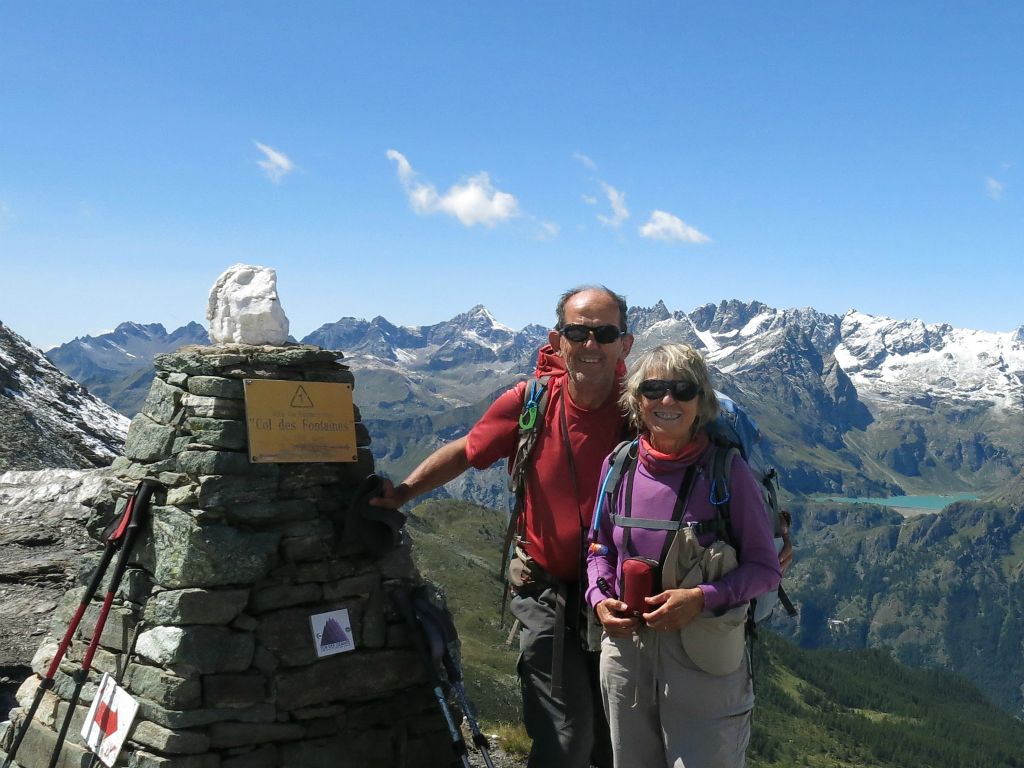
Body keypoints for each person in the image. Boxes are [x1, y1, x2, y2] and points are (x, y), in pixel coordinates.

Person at [372, 285, 634, 768]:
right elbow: (467, 450)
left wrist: (767, 534)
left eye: (604, 333)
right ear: (558, 341)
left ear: (626, 343)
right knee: (565, 740)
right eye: (578, 332)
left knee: (614, 742)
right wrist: (405, 492)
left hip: (621, 600)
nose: (591, 344)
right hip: (545, 593)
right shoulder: (531, 402)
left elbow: (704, 469)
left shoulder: (644, 410)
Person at [586, 343, 782, 768]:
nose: (667, 400)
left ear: (702, 402)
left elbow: (766, 570)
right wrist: (599, 600)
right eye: (653, 389)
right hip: (626, 654)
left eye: (683, 389)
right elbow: (598, 546)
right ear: (637, 400)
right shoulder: (618, 465)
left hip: (704, 659)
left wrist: (699, 598)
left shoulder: (727, 472)